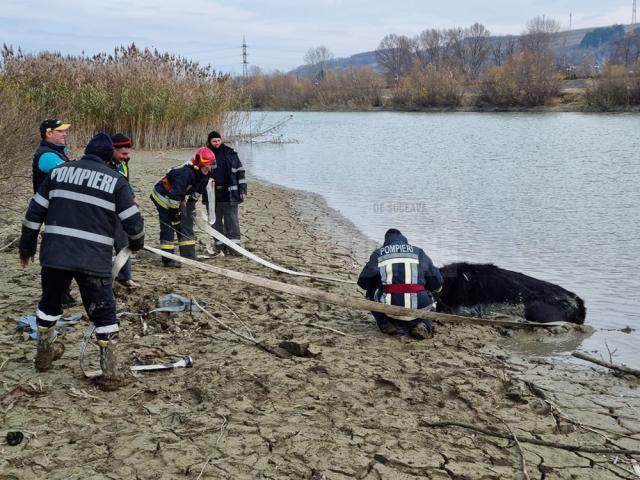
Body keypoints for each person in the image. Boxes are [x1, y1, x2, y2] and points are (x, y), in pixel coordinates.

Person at [19, 133, 145, 379]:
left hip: (55, 257)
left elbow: (34, 213)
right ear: (109, 157)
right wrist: (137, 243)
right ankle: (109, 374)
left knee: (49, 305)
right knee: (104, 313)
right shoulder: (116, 181)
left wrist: (27, 248)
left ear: (86, 151)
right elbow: (133, 221)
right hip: (93, 260)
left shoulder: (58, 173)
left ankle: (43, 357)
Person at [357, 228, 443, 339]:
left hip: (389, 310)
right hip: (420, 308)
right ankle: (424, 324)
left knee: (370, 293)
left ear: (386, 242)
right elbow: (437, 283)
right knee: (432, 294)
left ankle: (385, 323)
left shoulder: (379, 253)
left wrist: (380, 282)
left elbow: (363, 282)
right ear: (404, 240)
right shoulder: (419, 252)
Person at [32, 118, 79, 307]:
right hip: (53, 211)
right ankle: (58, 295)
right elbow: (71, 177)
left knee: (64, 251)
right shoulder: (47, 156)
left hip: (59, 210)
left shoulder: (55, 153)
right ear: (48, 133)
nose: (64, 134)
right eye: (60, 131)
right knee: (60, 253)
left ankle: (62, 293)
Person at [150, 147, 215, 267]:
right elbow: (175, 194)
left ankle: (188, 256)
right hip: (163, 196)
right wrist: (174, 213)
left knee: (185, 223)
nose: (208, 169)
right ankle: (168, 260)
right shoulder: (185, 173)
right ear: (198, 165)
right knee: (168, 225)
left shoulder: (205, 175)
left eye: (210, 166)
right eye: (206, 166)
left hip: (177, 198)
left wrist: (189, 210)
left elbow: (196, 194)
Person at [204, 130, 247, 254]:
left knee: (232, 220)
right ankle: (219, 247)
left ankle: (235, 248)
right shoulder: (205, 154)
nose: (217, 143)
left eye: (218, 140)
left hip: (229, 194)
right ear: (210, 142)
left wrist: (243, 190)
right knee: (215, 221)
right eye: (214, 141)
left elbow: (240, 172)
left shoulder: (230, 153)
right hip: (212, 194)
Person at [110, 133, 140, 288]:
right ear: (113, 150)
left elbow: (125, 182)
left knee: (123, 242)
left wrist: (132, 195)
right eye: (123, 153)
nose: (126, 156)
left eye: (128, 153)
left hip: (120, 210)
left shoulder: (123, 163)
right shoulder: (105, 164)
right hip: (107, 210)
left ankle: (125, 277)